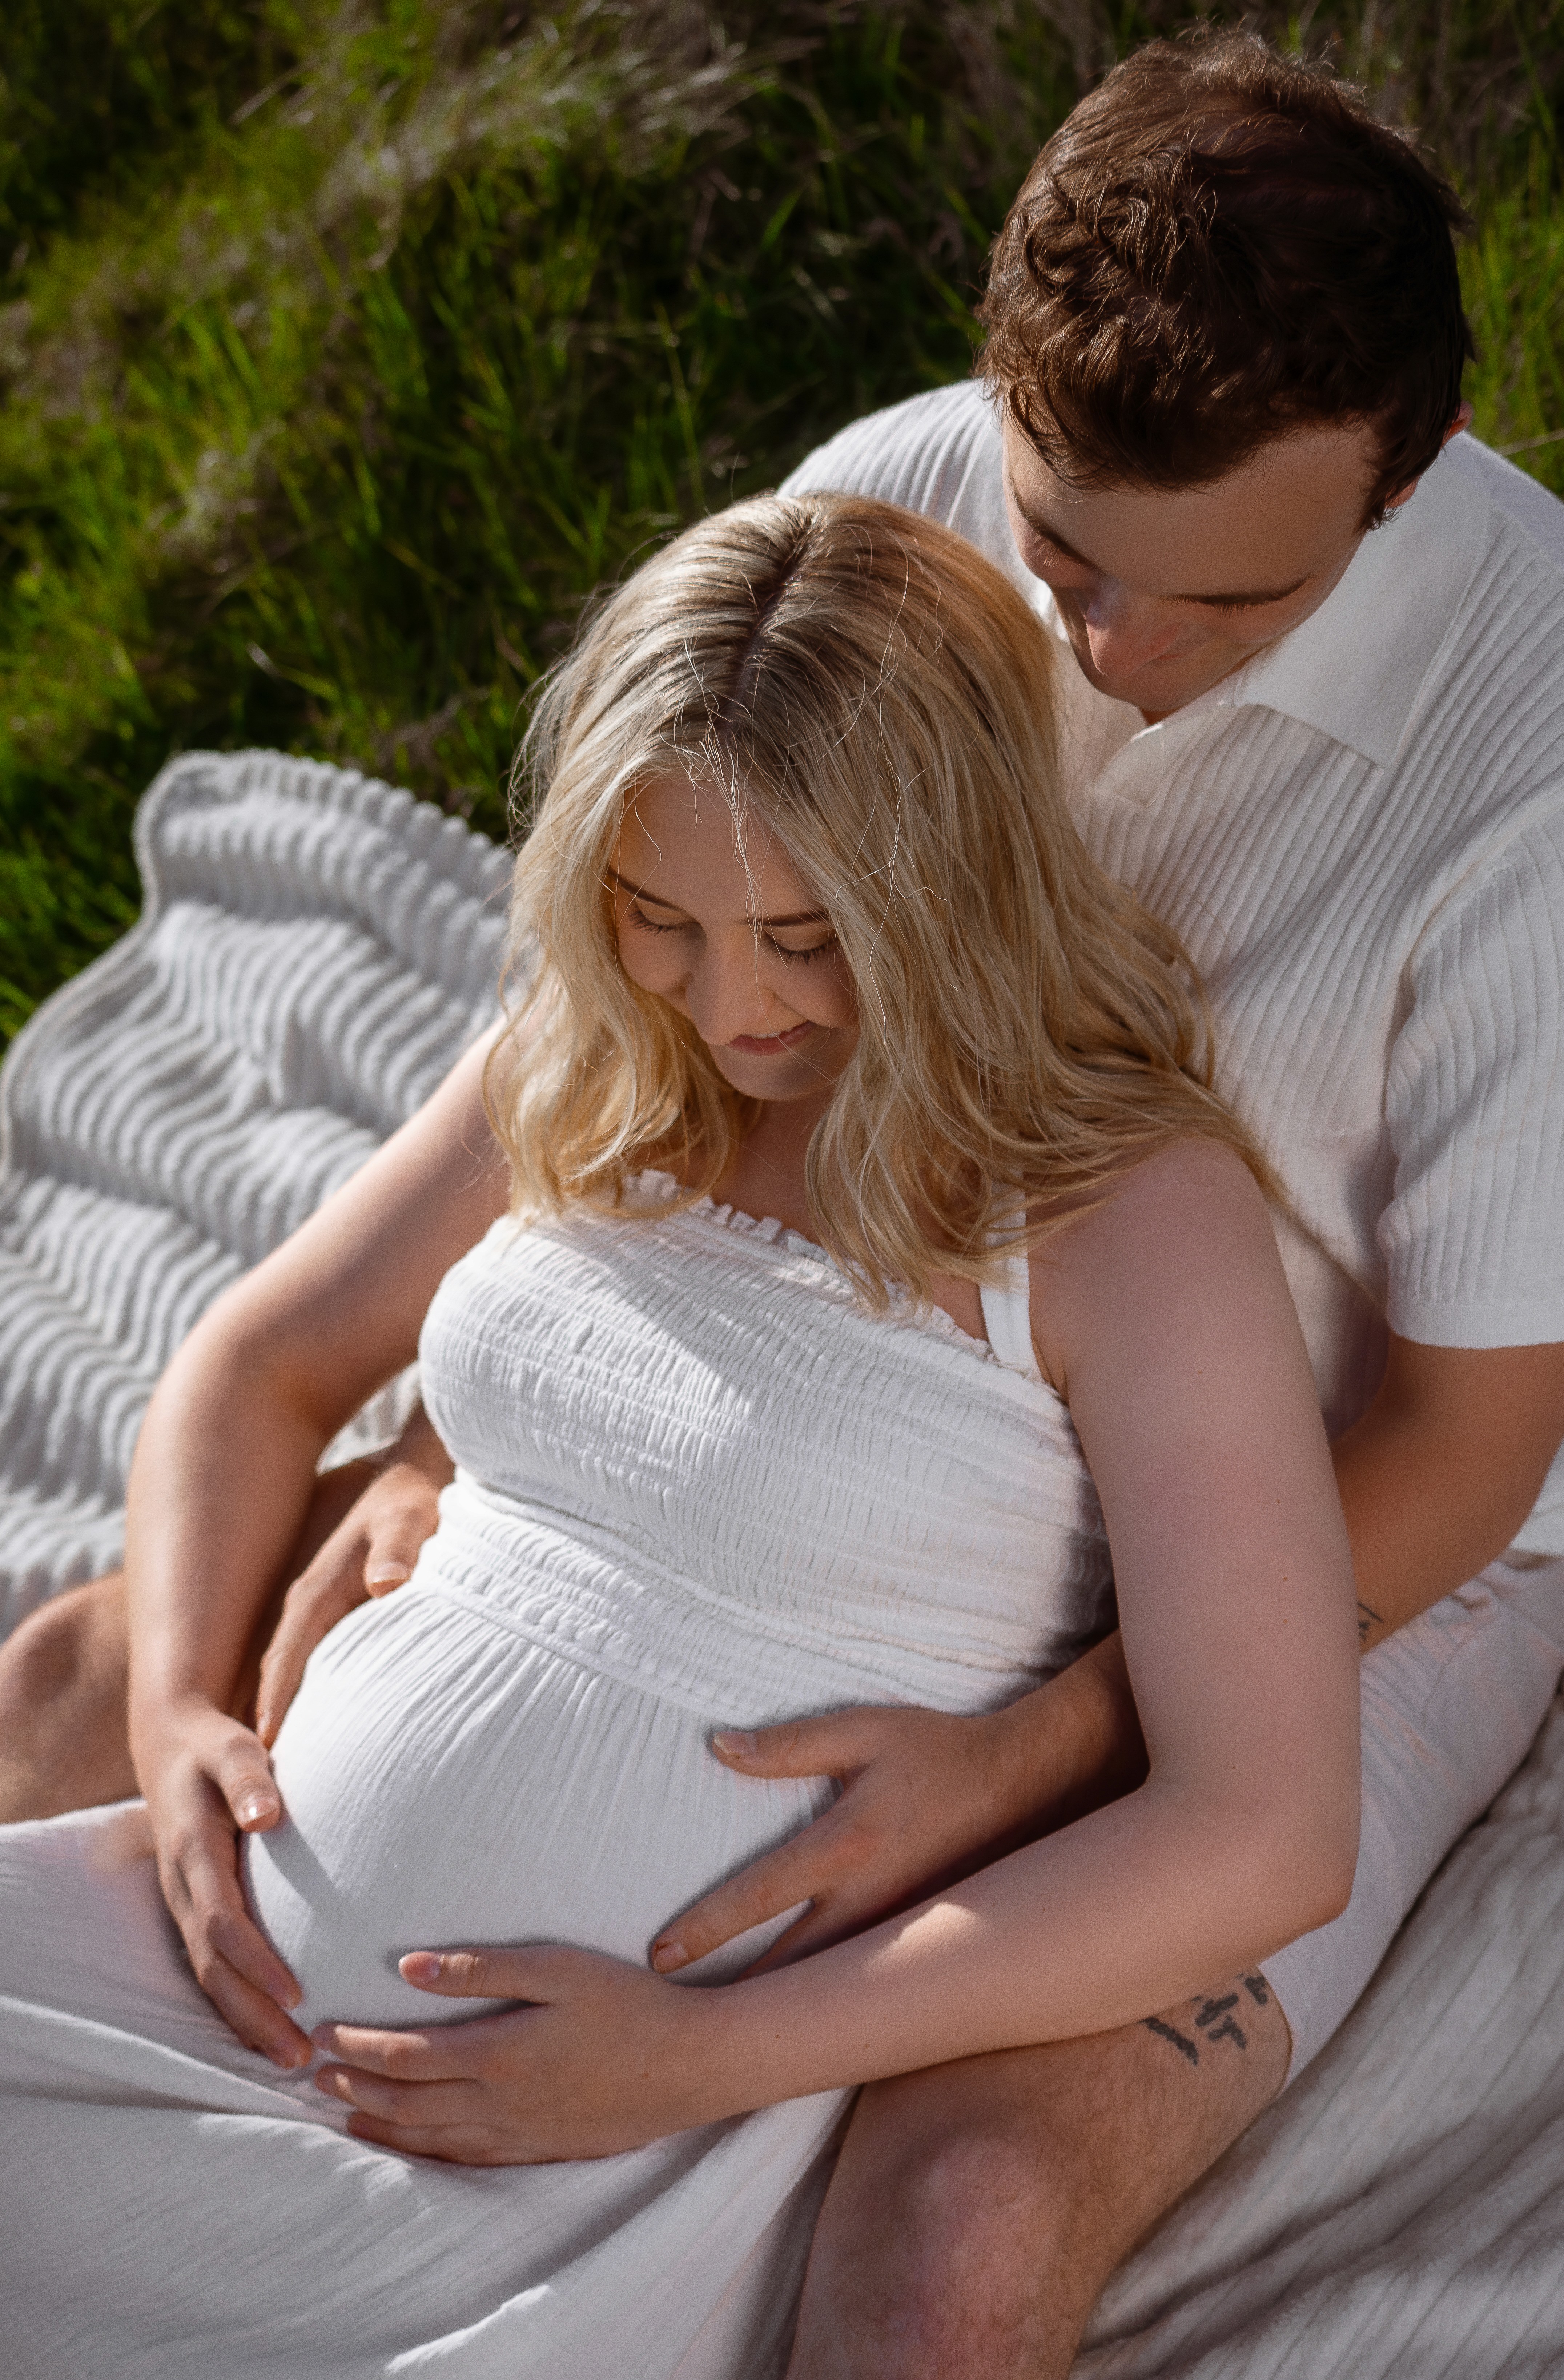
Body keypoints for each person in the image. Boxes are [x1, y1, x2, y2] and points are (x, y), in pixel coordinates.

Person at [0, 26, 1564, 2379]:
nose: (1104, 665)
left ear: (1407, 469)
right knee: (90, 1672)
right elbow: (628, 1040)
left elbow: (1462, 1453)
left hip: (1341, 1523)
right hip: (812, 1327)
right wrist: (475, 1431)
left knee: (961, 2219)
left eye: (1213, 608)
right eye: (1059, 561)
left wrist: (1030, 1755)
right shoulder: (901, 516)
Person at [0, 491, 1360, 2377]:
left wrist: (705, 2056)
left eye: (808, 935)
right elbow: (258, 1357)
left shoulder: (1119, 1211)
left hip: (605, 2149)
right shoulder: (588, 1055)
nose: (734, 1006)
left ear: (954, 880)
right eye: (662, 919)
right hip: (201, 1982)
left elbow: (1270, 1825)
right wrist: (174, 1724)